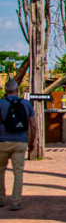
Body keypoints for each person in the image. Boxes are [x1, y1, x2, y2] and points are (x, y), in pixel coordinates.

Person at [0, 79, 36, 211]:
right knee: (18, 172)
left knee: (0, 171)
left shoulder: (1, 103)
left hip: (2, 142)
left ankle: (1, 199)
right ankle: (16, 202)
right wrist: (31, 141)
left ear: (5, 91)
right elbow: (33, 125)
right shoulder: (26, 104)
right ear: (17, 90)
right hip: (20, 142)